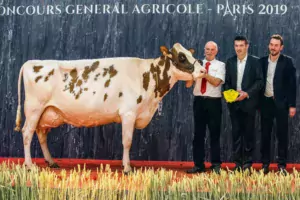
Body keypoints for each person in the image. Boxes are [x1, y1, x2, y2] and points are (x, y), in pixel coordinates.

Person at [223, 36, 263, 171]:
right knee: (236, 134)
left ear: (247, 46)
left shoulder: (255, 62)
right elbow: (226, 82)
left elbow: (259, 82)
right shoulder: (230, 62)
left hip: (249, 104)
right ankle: (237, 164)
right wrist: (232, 95)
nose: (238, 48)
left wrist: (246, 93)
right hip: (234, 104)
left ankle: (247, 164)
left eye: (241, 45)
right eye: (236, 46)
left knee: (248, 134)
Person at [186, 41, 225, 174]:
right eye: (207, 49)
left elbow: (216, 82)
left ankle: (215, 165)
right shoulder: (196, 64)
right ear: (204, 50)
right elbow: (188, 84)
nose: (209, 51)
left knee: (214, 134)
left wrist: (204, 74)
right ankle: (198, 165)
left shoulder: (221, 65)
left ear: (216, 51)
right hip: (199, 102)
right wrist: (192, 74)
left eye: (212, 49)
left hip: (214, 102)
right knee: (198, 135)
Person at [259, 34, 297, 175]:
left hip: (281, 104)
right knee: (265, 135)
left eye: (276, 45)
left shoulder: (288, 62)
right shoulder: (262, 62)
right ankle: (265, 165)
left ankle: (281, 165)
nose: (273, 47)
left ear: (281, 47)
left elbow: (292, 85)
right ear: (269, 45)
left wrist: (292, 105)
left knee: (282, 135)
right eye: (271, 44)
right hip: (265, 103)